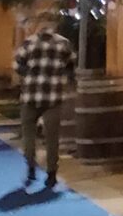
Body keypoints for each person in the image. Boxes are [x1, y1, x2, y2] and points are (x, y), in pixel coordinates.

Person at [10, 11, 75, 193]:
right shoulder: (63, 44)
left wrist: (29, 76)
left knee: (28, 134)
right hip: (53, 96)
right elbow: (71, 65)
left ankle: (31, 166)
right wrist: (61, 76)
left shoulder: (29, 43)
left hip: (30, 96)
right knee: (52, 136)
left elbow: (17, 65)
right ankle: (52, 173)